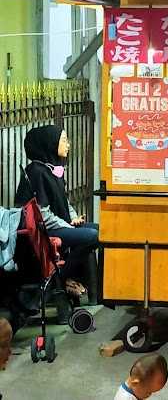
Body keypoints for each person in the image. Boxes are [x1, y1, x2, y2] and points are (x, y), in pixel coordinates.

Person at [15, 125, 98, 302]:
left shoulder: (51, 168)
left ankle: (89, 289)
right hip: (43, 230)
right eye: (63, 140)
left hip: (57, 224)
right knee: (91, 236)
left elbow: (64, 201)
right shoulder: (37, 172)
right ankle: (60, 278)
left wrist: (73, 217)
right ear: (50, 144)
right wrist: (68, 225)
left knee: (100, 229)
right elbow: (43, 216)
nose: (68, 144)